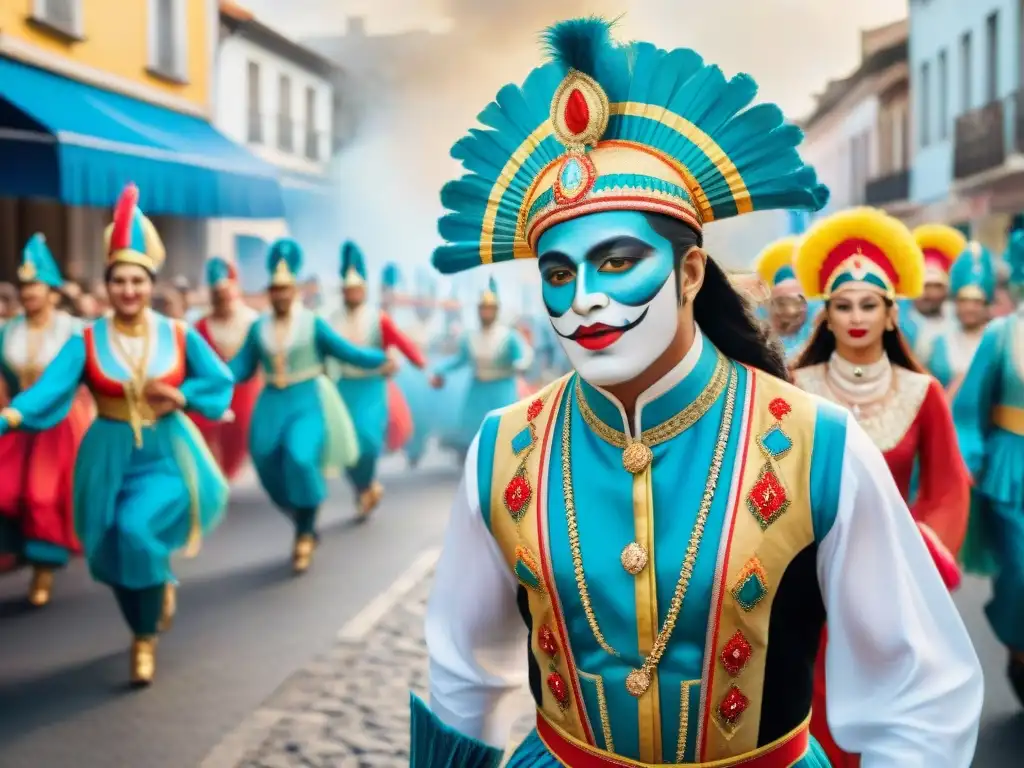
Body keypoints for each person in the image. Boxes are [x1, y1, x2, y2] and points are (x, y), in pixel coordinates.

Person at [410, 19, 982, 767]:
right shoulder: (503, 449)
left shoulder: (822, 447)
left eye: (617, 262)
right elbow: (461, 673)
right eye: (558, 274)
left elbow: (916, 694)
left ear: (688, 274)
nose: (583, 299)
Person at [0, 184, 234, 685]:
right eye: (119, 281)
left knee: (134, 529)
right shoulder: (87, 340)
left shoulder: (177, 334)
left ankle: (143, 638)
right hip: (107, 455)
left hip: (167, 453)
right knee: (108, 550)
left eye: (138, 280)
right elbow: (47, 392)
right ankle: (147, 604)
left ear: (151, 283)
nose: (129, 290)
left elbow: (218, 380)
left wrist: (184, 397)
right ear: (108, 285)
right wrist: (11, 417)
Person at [790, 207, 972, 766]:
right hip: (811, 565)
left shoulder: (923, 392)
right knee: (810, 685)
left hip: (891, 567)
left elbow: (947, 488)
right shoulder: (796, 385)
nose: (856, 316)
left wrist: (918, 546)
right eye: (842, 306)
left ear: (892, 315)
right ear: (827, 315)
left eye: (869, 304)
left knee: (889, 686)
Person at [227, 238, 388, 572]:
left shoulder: (313, 323)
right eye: (275, 288)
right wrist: (209, 377)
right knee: (266, 461)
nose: (281, 294)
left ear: (296, 290)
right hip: (271, 402)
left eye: (287, 288)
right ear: (269, 291)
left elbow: (348, 351)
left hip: (307, 400)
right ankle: (303, 516)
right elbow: (240, 368)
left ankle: (304, 529)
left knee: (300, 457)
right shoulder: (259, 328)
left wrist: (381, 359)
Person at [0, 234, 91, 606]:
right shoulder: (8, 331)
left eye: (35, 285)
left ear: (52, 291)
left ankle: (44, 569)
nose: (28, 292)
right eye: (24, 286)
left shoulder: (73, 330)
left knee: (43, 495)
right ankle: (23, 551)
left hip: (59, 425)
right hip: (17, 424)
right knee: (7, 493)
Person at [953, 229, 1024, 706]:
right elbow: (968, 409)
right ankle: (1019, 647)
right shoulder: (1003, 333)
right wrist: (969, 461)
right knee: (1021, 572)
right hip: (1013, 467)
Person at [329, 243, 425, 517]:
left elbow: (401, 342)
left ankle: (366, 483)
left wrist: (419, 362)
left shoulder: (376, 318)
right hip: (343, 387)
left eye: (357, 290)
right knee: (345, 445)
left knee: (368, 441)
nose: (352, 294)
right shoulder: (332, 319)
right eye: (348, 290)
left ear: (364, 291)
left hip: (371, 386)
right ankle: (363, 488)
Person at [429, 277, 533, 461]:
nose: (486, 313)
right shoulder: (470, 336)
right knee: (472, 431)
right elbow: (459, 360)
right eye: (483, 309)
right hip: (477, 389)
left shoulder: (508, 336)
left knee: (504, 432)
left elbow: (523, 356)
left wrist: (520, 365)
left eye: (489, 309)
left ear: (496, 311)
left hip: (503, 389)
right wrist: (440, 370)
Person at [191, 256, 261, 481]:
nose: (223, 298)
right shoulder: (200, 326)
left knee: (239, 435)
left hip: (245, 392)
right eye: (217, 294)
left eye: (226, 292)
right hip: (213, 394)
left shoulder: (253, 322)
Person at [924, 241, 996, 397]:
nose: (969, 308)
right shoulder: (937, 342)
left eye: (977, 302)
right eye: (963, 301)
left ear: (987, 305)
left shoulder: (998, 340)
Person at [753, 237, 811, 363]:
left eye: (796, 302)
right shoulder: (760, 325)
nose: (790, 310)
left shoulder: (814, 329)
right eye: (782, 303)